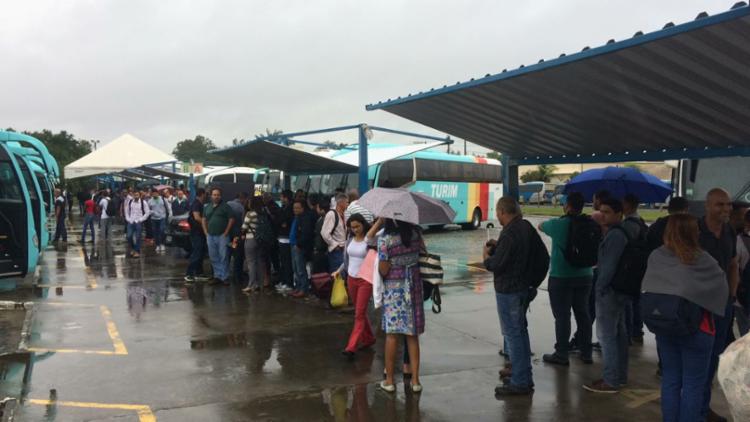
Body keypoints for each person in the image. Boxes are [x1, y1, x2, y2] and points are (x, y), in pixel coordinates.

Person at [641, 214, 728, 422]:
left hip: (665, 325)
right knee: (693, 385)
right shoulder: (702, 259)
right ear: (693, 233)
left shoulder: (656, 256)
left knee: (670, 380)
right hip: (697, 330)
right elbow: (721, 288)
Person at [484, 197, 534, 396]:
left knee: (513, 334)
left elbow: (496, 265)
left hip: (509, 290)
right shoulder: (525, 227)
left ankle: (520, 381)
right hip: (522, 287)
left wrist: (487, 257)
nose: (497, 217)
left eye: (498, 213)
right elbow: (540, 257)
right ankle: (523, 374)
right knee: (520, 333)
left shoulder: (510, 233)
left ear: (503, 211)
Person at [584, 197, 634, 394]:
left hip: (610, 292)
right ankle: (619, 376)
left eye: (607, 212)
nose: (602, 215)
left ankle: (611, 379)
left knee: (606, 337)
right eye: (601, 211)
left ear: (618, 214)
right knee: (619, 334)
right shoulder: (621, 232)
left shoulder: (615, 236)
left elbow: (609, 266)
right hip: (620, 290)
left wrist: (599, 288)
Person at [539, 192, 594, 366]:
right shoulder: (590, 224)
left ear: (568, 206)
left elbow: (540, 226)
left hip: (561, 277)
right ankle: (586, 352)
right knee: (583, 314)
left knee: (562, 316)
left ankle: (562, 353)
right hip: (585, 275)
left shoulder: (558, 224)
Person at [699, 189, 739, 422]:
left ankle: (703, 408)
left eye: (728, 204)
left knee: (713, 358)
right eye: (719, 205)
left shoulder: (729, 231)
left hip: (722, 307)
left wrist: (731, 294)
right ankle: (695, 409)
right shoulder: (694, 230)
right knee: (699, 360)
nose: (726, 209)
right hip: (698, 308)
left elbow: (733, 264)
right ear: (707, 205)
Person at [378, 218, 425, 394]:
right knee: (412, 335)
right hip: (414, 288)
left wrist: (391, 264)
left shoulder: (385, 240)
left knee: (392, 336)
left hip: (394, 291)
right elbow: (422, 254)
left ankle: (389, 381)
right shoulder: (415, 234)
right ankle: (415, 381)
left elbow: (383, 269)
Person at [571, 189, 612, 352]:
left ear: (598, 200)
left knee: (588, 309)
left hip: (594, 267)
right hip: (605, 266)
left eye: (594, 198)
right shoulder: (615, 221)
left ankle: (580, 339)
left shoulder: (594, 217)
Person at [334, 214, 377, 356]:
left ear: (363, 225)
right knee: (360, 312)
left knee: (358, 314)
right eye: (352, 227)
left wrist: (380, 221)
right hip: (351, 279)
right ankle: (369, 338)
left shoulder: (369, 240)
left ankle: (351, 346)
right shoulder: (350, 240)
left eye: (358, 226)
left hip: (365, 280)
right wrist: (339, 271)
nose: (355, 229)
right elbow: (347, 259)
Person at [622, 193, 648, 344]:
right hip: (640, 267)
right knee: (636, 300)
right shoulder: (641, 222)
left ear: (629, 206)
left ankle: (631, 331)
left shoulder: (629, 225)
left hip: (629, 269)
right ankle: (637, 330)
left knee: (628, 302)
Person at [203, 188, 235, 285]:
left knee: (224, 256)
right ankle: (217, 276)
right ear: (211, 196)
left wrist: (226, 232)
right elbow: (204, 219)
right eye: (214, 194)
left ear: (220, 196)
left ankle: (224, 277)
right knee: (213, 256)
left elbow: (232, 219)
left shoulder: (226, 207)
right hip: (210, 236)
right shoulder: (207, 207)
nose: (216, 196)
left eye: (218, 195)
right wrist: (205, 232)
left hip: (222, 236)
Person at [290, 200, 317, 298]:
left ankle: (303, 289)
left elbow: (306, 233)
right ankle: (298, 287)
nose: (295, 210)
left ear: (302, 208)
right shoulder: (297, 217)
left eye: (297, 208)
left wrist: (299, 244)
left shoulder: (305, 218)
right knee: (295, 268)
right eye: (294, 208)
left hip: (299, 246)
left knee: (301, 269)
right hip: (293, 245)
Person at [241, 196, 267, 293]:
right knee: (259, 262)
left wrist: (242, 232)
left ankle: (251, 284)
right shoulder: (263, 213)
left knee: (251, 263)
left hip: (251, 239)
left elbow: (244, 227)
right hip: (261, 240)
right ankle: (259, 284)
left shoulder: (250, 213)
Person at [185, 188, 209, 283]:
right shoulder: (196, 204)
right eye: (206, 194)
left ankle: (199, 273)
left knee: (201, 253)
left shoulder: (199, 204)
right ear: (202, 194)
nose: (207, 196)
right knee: (197, 253)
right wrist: (206, 223)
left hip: (200, 232)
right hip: (197, 232)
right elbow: (197, 217)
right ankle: (189, 274)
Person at [274, 190, 295, 292]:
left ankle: (289, 283)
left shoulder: (289, 209)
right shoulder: (284, 208)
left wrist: (282, 222)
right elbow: (279, 221)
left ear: (286, 198)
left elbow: (282, 221)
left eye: (282, 197)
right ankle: (285, 281)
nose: (281, 199)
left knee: (287, 262)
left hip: (286, 239)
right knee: (284, 261)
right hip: (282, 237)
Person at [322, 193, 348, 272]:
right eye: (347, 202)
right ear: (340, 203)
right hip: (336, 251)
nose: (348, 204)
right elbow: (324, 233)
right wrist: (335, 245)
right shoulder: (331, 214)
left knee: (343, 274)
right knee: (337, 275)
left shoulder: (344, 214)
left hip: (343, 249)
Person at [228, 192, 249, 284]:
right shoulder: (241, 208)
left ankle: (224, 275)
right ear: (243, 199)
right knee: (238, 256)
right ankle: (237, 276)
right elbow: (243, 223)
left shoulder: (227, 204)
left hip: (227, 235)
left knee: (227, 255)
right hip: (237, 236)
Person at [125, 190, 150, 258]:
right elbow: (126, 211)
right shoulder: (130, 202)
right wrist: (128, 219)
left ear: (139, 195)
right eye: (135, 195)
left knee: (138, 237)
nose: (136, 196)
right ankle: (133, 248)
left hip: (138, 222)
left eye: (137, 195)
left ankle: (137, 251)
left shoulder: (143, 202)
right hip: (131, 221)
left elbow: (147, 212)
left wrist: (141, 219)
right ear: (133, 195)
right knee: (129, 236)